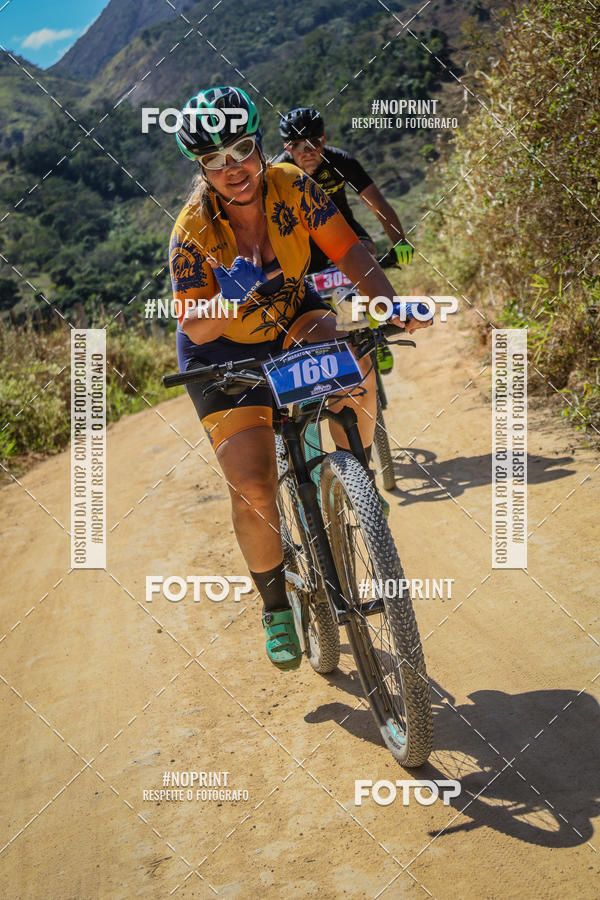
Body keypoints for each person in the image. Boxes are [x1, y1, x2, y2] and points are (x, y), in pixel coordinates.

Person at [169, 86, 429, 673]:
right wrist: (227, 304)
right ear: (202, 169)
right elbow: (195, 324)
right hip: (221, 351)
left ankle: (353, 479)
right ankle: (276, 608)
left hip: (290, 313)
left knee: (354, 369)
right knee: (254, 486)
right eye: (216, 160)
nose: (233, 169)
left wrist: (386, 304)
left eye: (240, 150)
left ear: (258, 146)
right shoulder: (193, 230)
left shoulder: (294, 185)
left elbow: (350, 252)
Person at [276, 106, 414, 273]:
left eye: (313, 142)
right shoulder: (278, 173)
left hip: (343, 227)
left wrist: (399, 241)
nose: (307, 152)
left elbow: (377, 205)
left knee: (367, 254)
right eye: (297, 145)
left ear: (324, 140)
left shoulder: (341, 162)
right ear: (287, 148)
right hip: (302, 239)